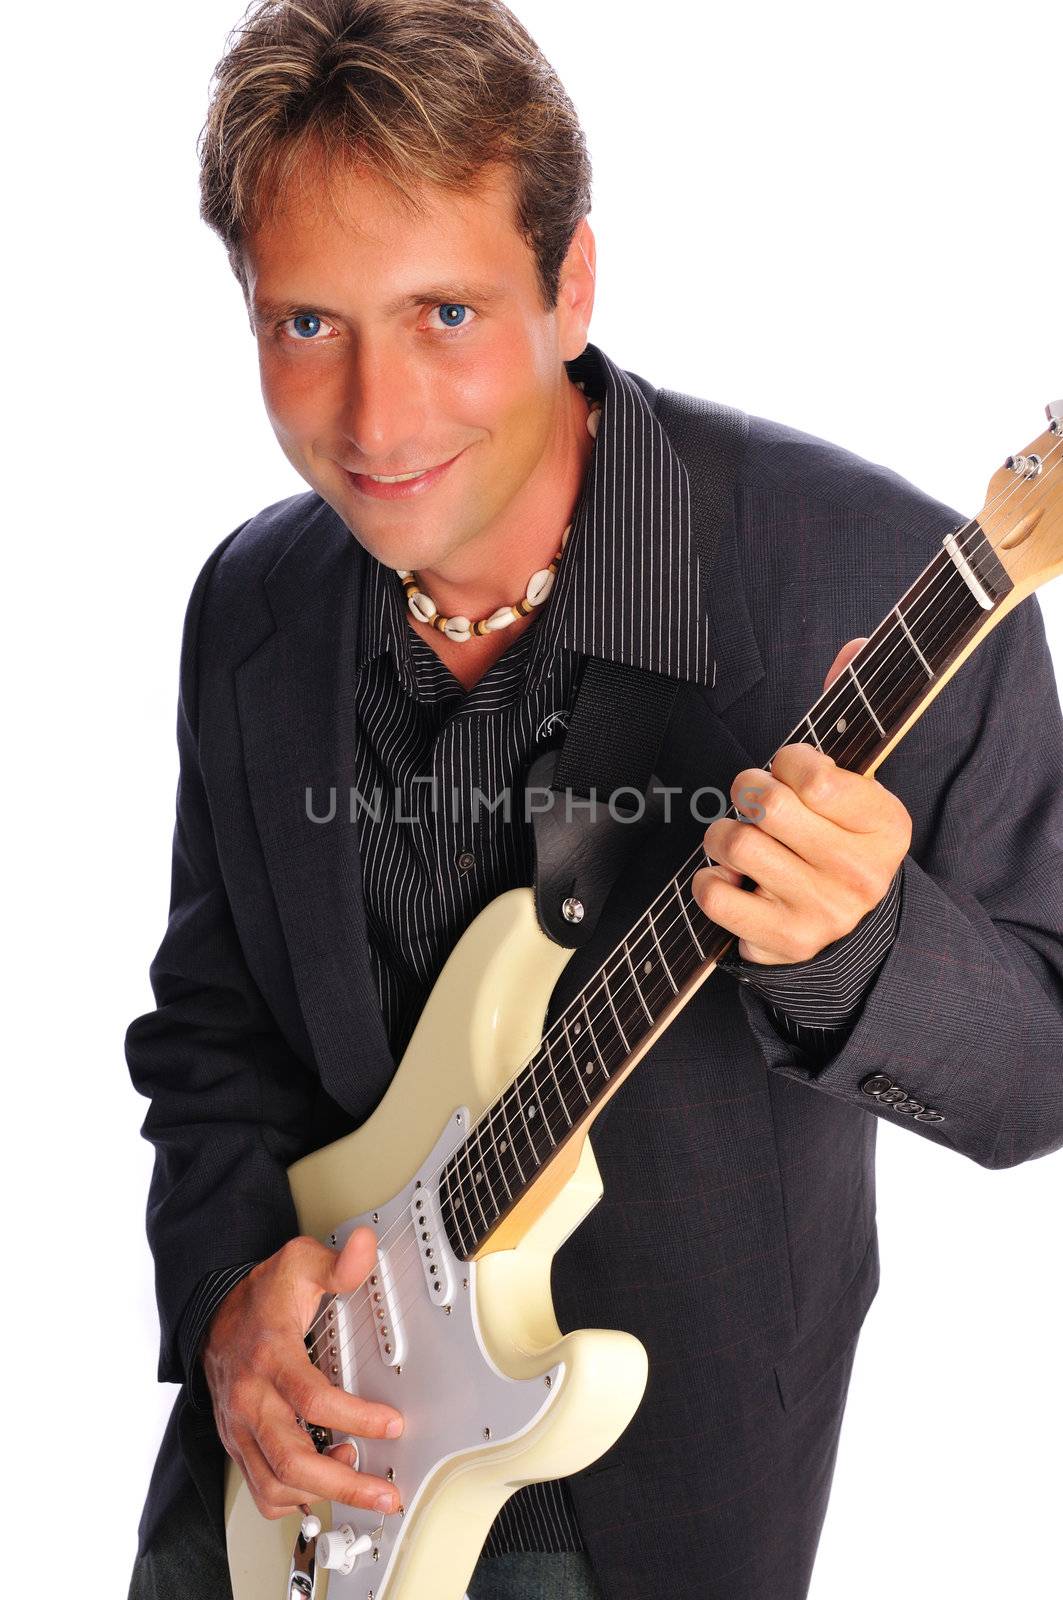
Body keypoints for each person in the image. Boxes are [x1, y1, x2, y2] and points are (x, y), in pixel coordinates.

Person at [125, 2, 1063, 1597]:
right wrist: (226, 1303)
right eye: (307, 325)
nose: (375, 420)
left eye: (444, 312)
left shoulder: (880, 580)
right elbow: (214, 1031)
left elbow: (1042, 1066)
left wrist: (860, 945)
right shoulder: (251, 607)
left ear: (571, 286)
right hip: (283, 1487)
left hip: (649, 1515)